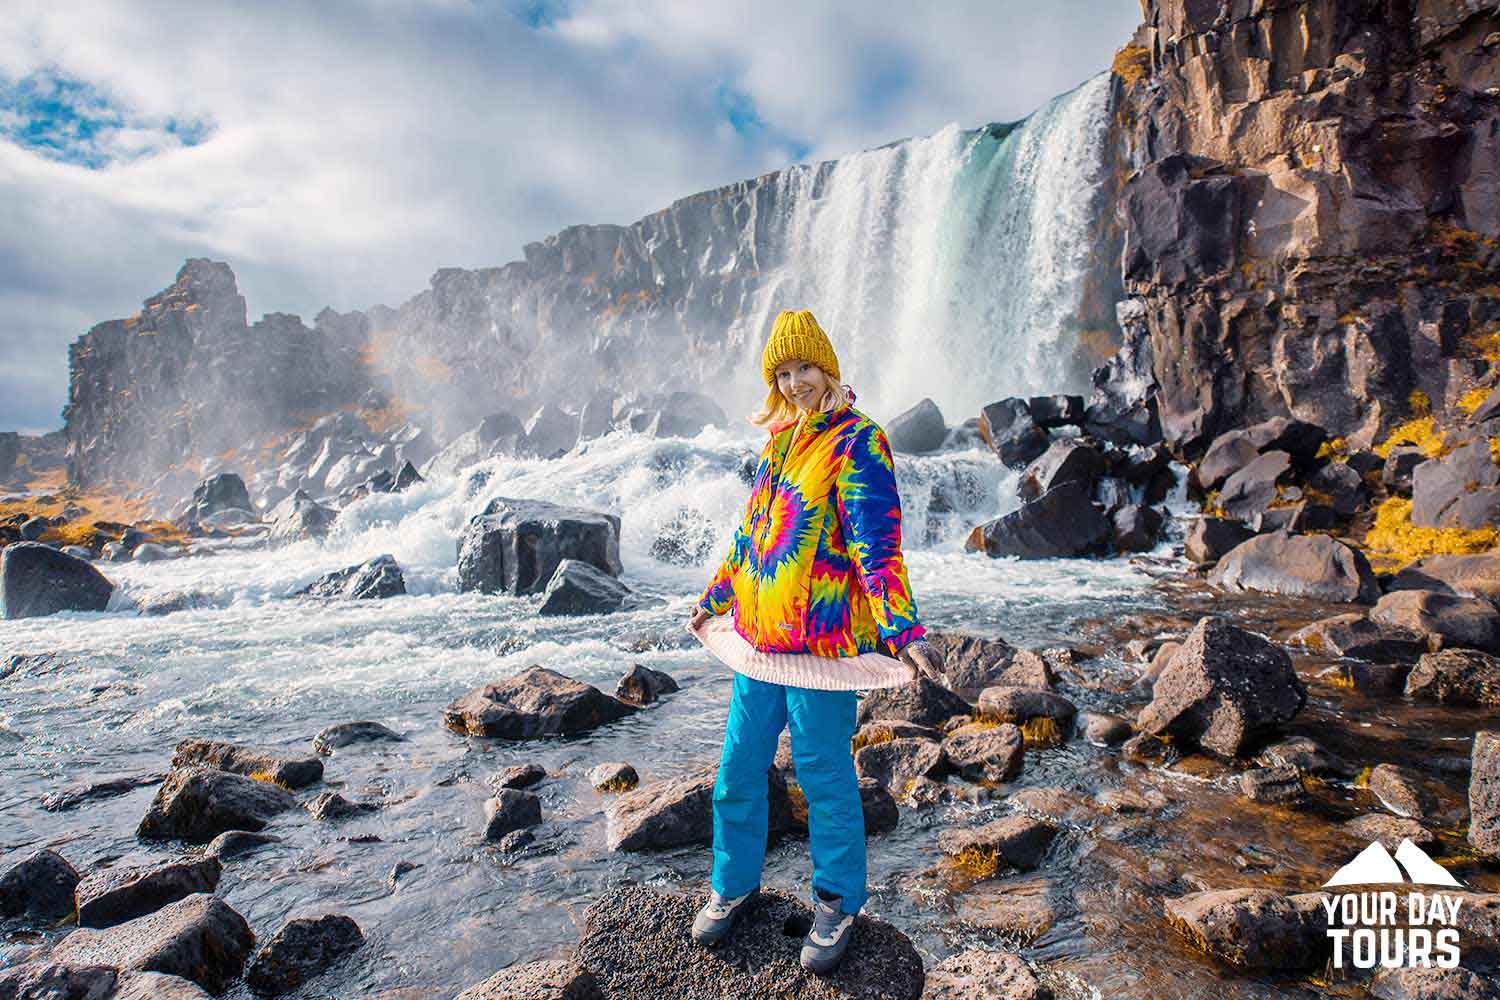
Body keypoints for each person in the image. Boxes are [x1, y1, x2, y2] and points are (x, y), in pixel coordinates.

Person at [685, 308, 943, 974]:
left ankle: (836, 902)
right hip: (761, 645)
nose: (796, 382)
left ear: (826, 367)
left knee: (825, 778)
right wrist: (715, 599)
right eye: (784, 371)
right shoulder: (778, 445)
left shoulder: (861, 441)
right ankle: (734, 884)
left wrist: (902, 629)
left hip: (822, 650)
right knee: (738, 771)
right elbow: (751, 540)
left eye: (804, 367)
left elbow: (876, 543)